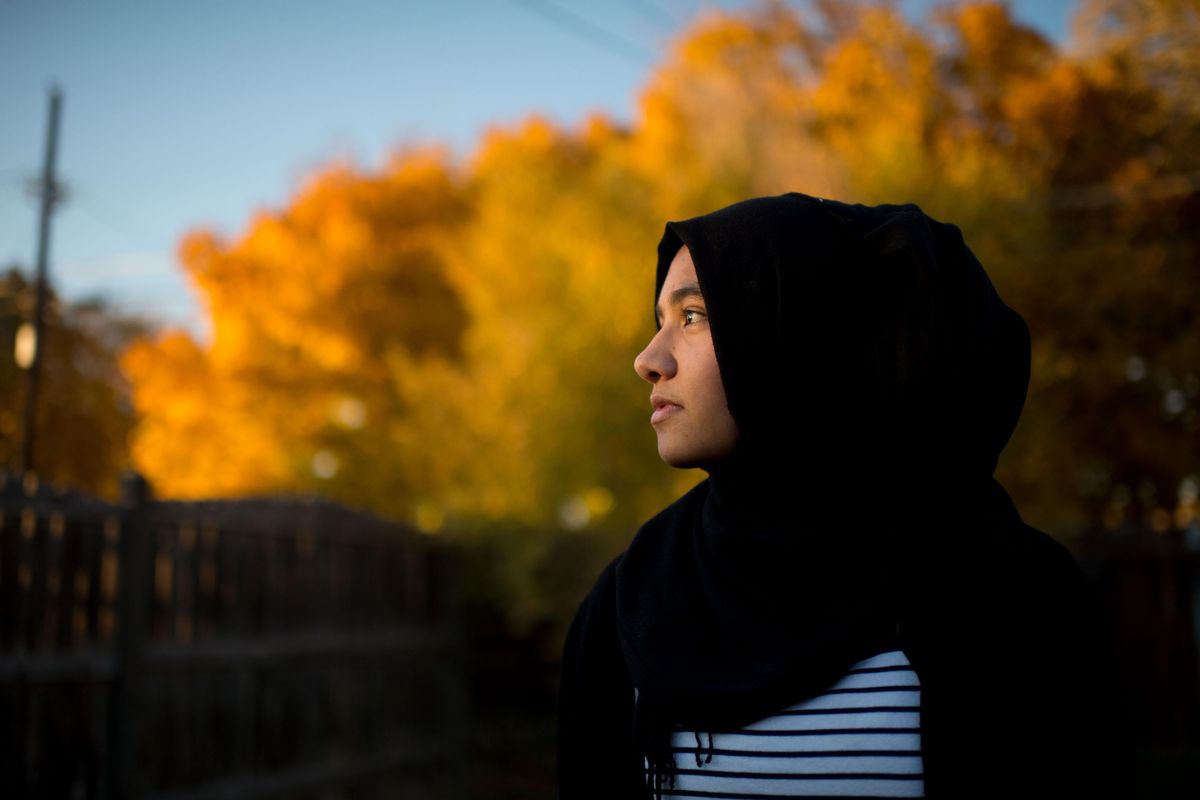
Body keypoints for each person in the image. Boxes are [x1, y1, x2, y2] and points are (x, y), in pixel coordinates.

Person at [556, 192, 1137, 799]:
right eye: (660, 322)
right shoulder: (630, 607)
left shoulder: (1014, 594)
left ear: (802, 331)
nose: (648, 359)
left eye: (694, 316)